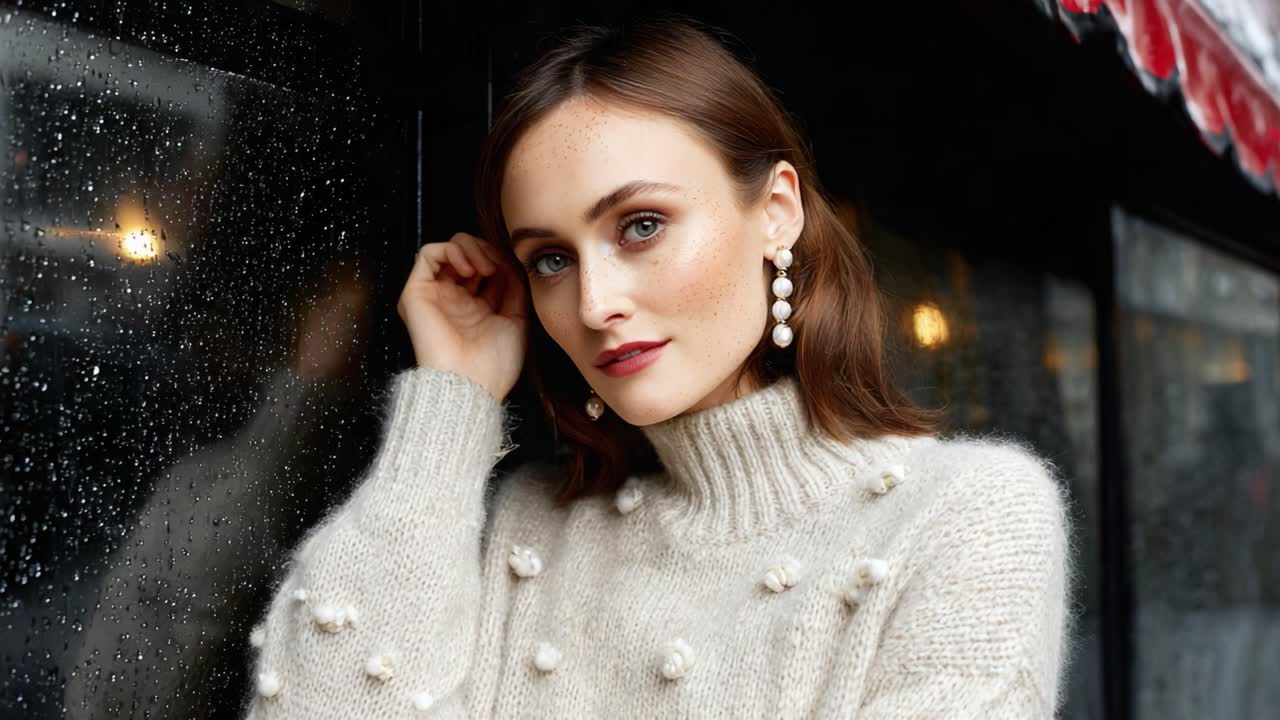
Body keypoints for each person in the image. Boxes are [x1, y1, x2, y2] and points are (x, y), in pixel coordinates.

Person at [242, 14, 1075, 719]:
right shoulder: (530, 526)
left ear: (775, 212)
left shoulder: (969, 516)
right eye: (550, 260)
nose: (595, 302)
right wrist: (451, 402)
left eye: (641, 225)